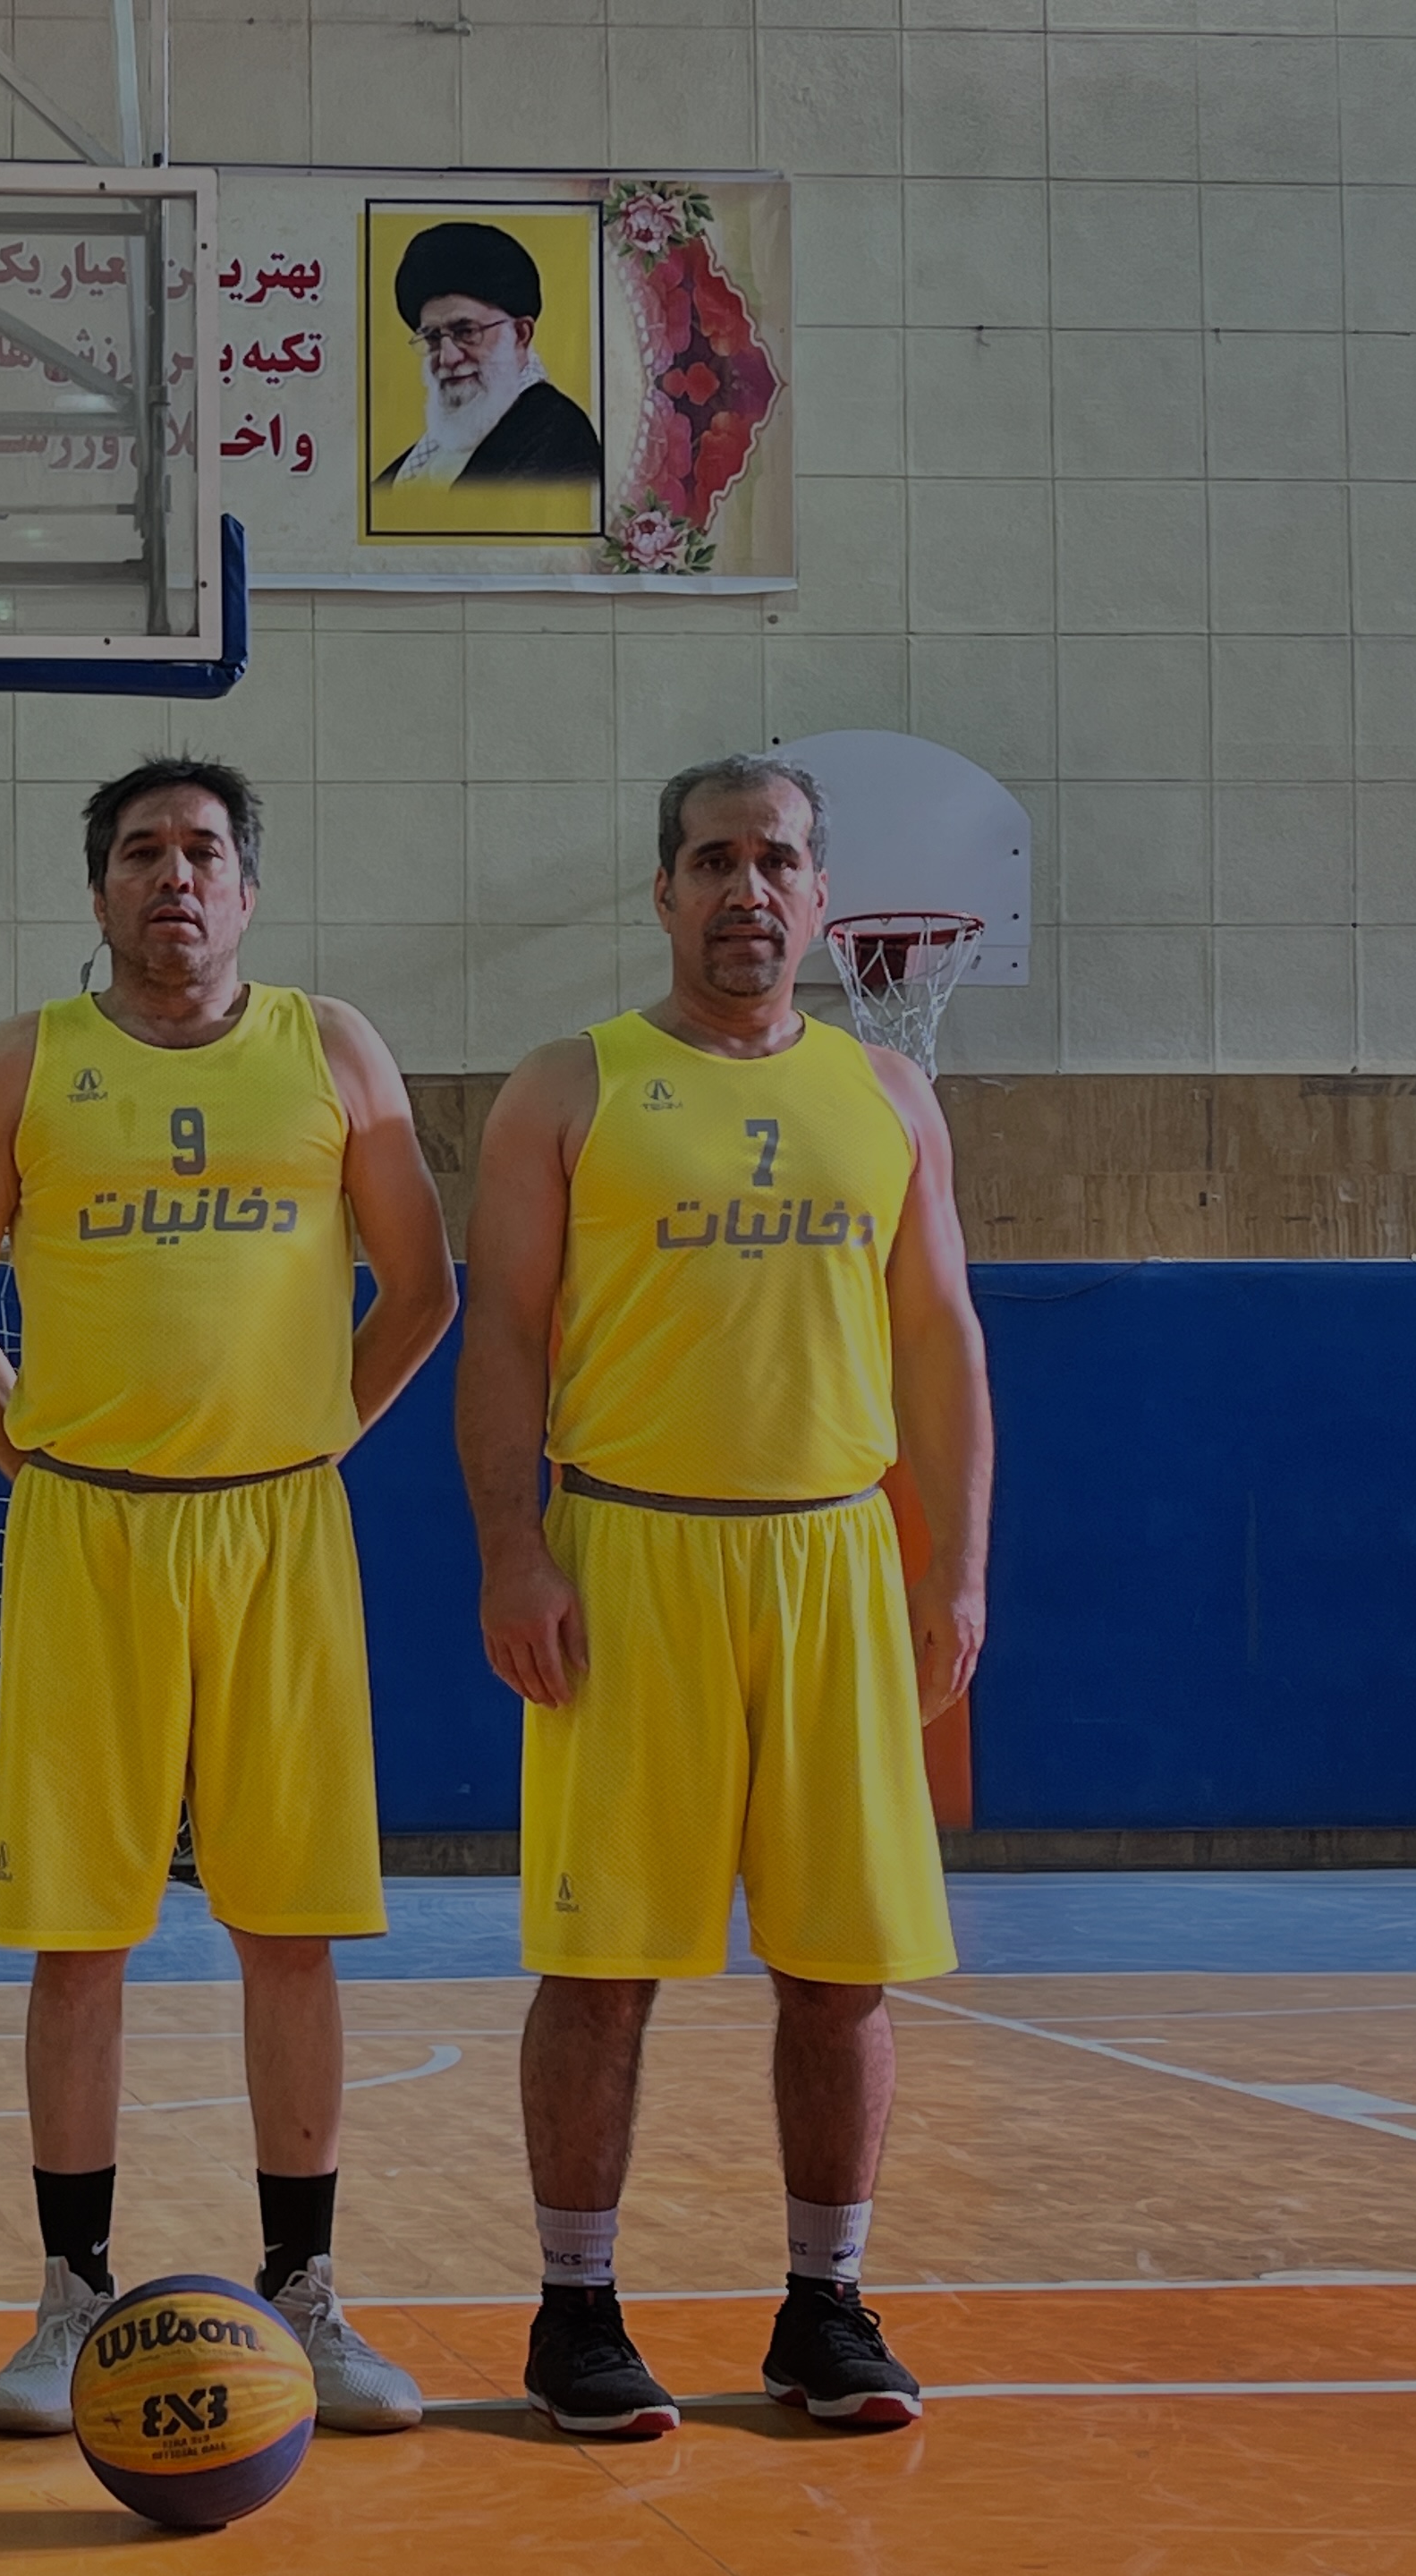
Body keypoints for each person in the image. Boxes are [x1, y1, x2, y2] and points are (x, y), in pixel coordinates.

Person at [0, 756, 459, 2437]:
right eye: (140, 851)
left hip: (280, 1532)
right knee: (82, 1934)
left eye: (203, 850)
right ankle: (70, 2297)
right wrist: (33, 1452)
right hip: (89, 1532)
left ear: (248, 888)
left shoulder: (332, 1049)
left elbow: (423, 1285)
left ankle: (308, 2290)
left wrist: (315, 1433)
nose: (174, 875)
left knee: (288, 1927)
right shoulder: (24, 1062)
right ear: (99, 892)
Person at [454, 754, 989, 2437]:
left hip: (833, 1556)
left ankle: (825, 2305)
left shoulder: (890, 1093)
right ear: (663, 891)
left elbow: (939, 1339)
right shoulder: (570, 1085)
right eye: (710, 861)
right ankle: (575, 2311)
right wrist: (513, 1547)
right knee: (601, 1964)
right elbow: (505, 1334)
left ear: (818, 896)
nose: (743, 890)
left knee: (841, 1966)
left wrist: (957, 1566)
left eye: (774, 861)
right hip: (629, 1555)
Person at [377, 219, 604, 489]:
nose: (447, 358)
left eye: (466, 331)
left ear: (520, 334)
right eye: (433, 338)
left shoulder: (558, 437)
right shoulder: (435, 445)